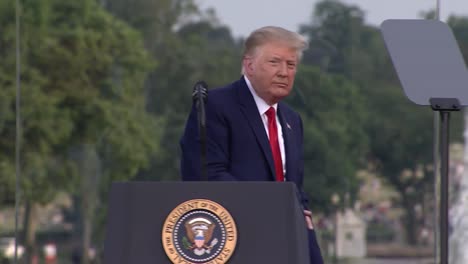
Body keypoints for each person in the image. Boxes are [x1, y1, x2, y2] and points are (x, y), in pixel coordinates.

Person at [180, 26, 324, 264]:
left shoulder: (292, 120)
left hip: (290, 240)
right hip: (236, 239)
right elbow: (207, 174)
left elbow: (294, 188)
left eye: (291, 65)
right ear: (249, 65)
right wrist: (270, 206)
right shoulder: (214, 106)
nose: (284, 72)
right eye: (274, 62)